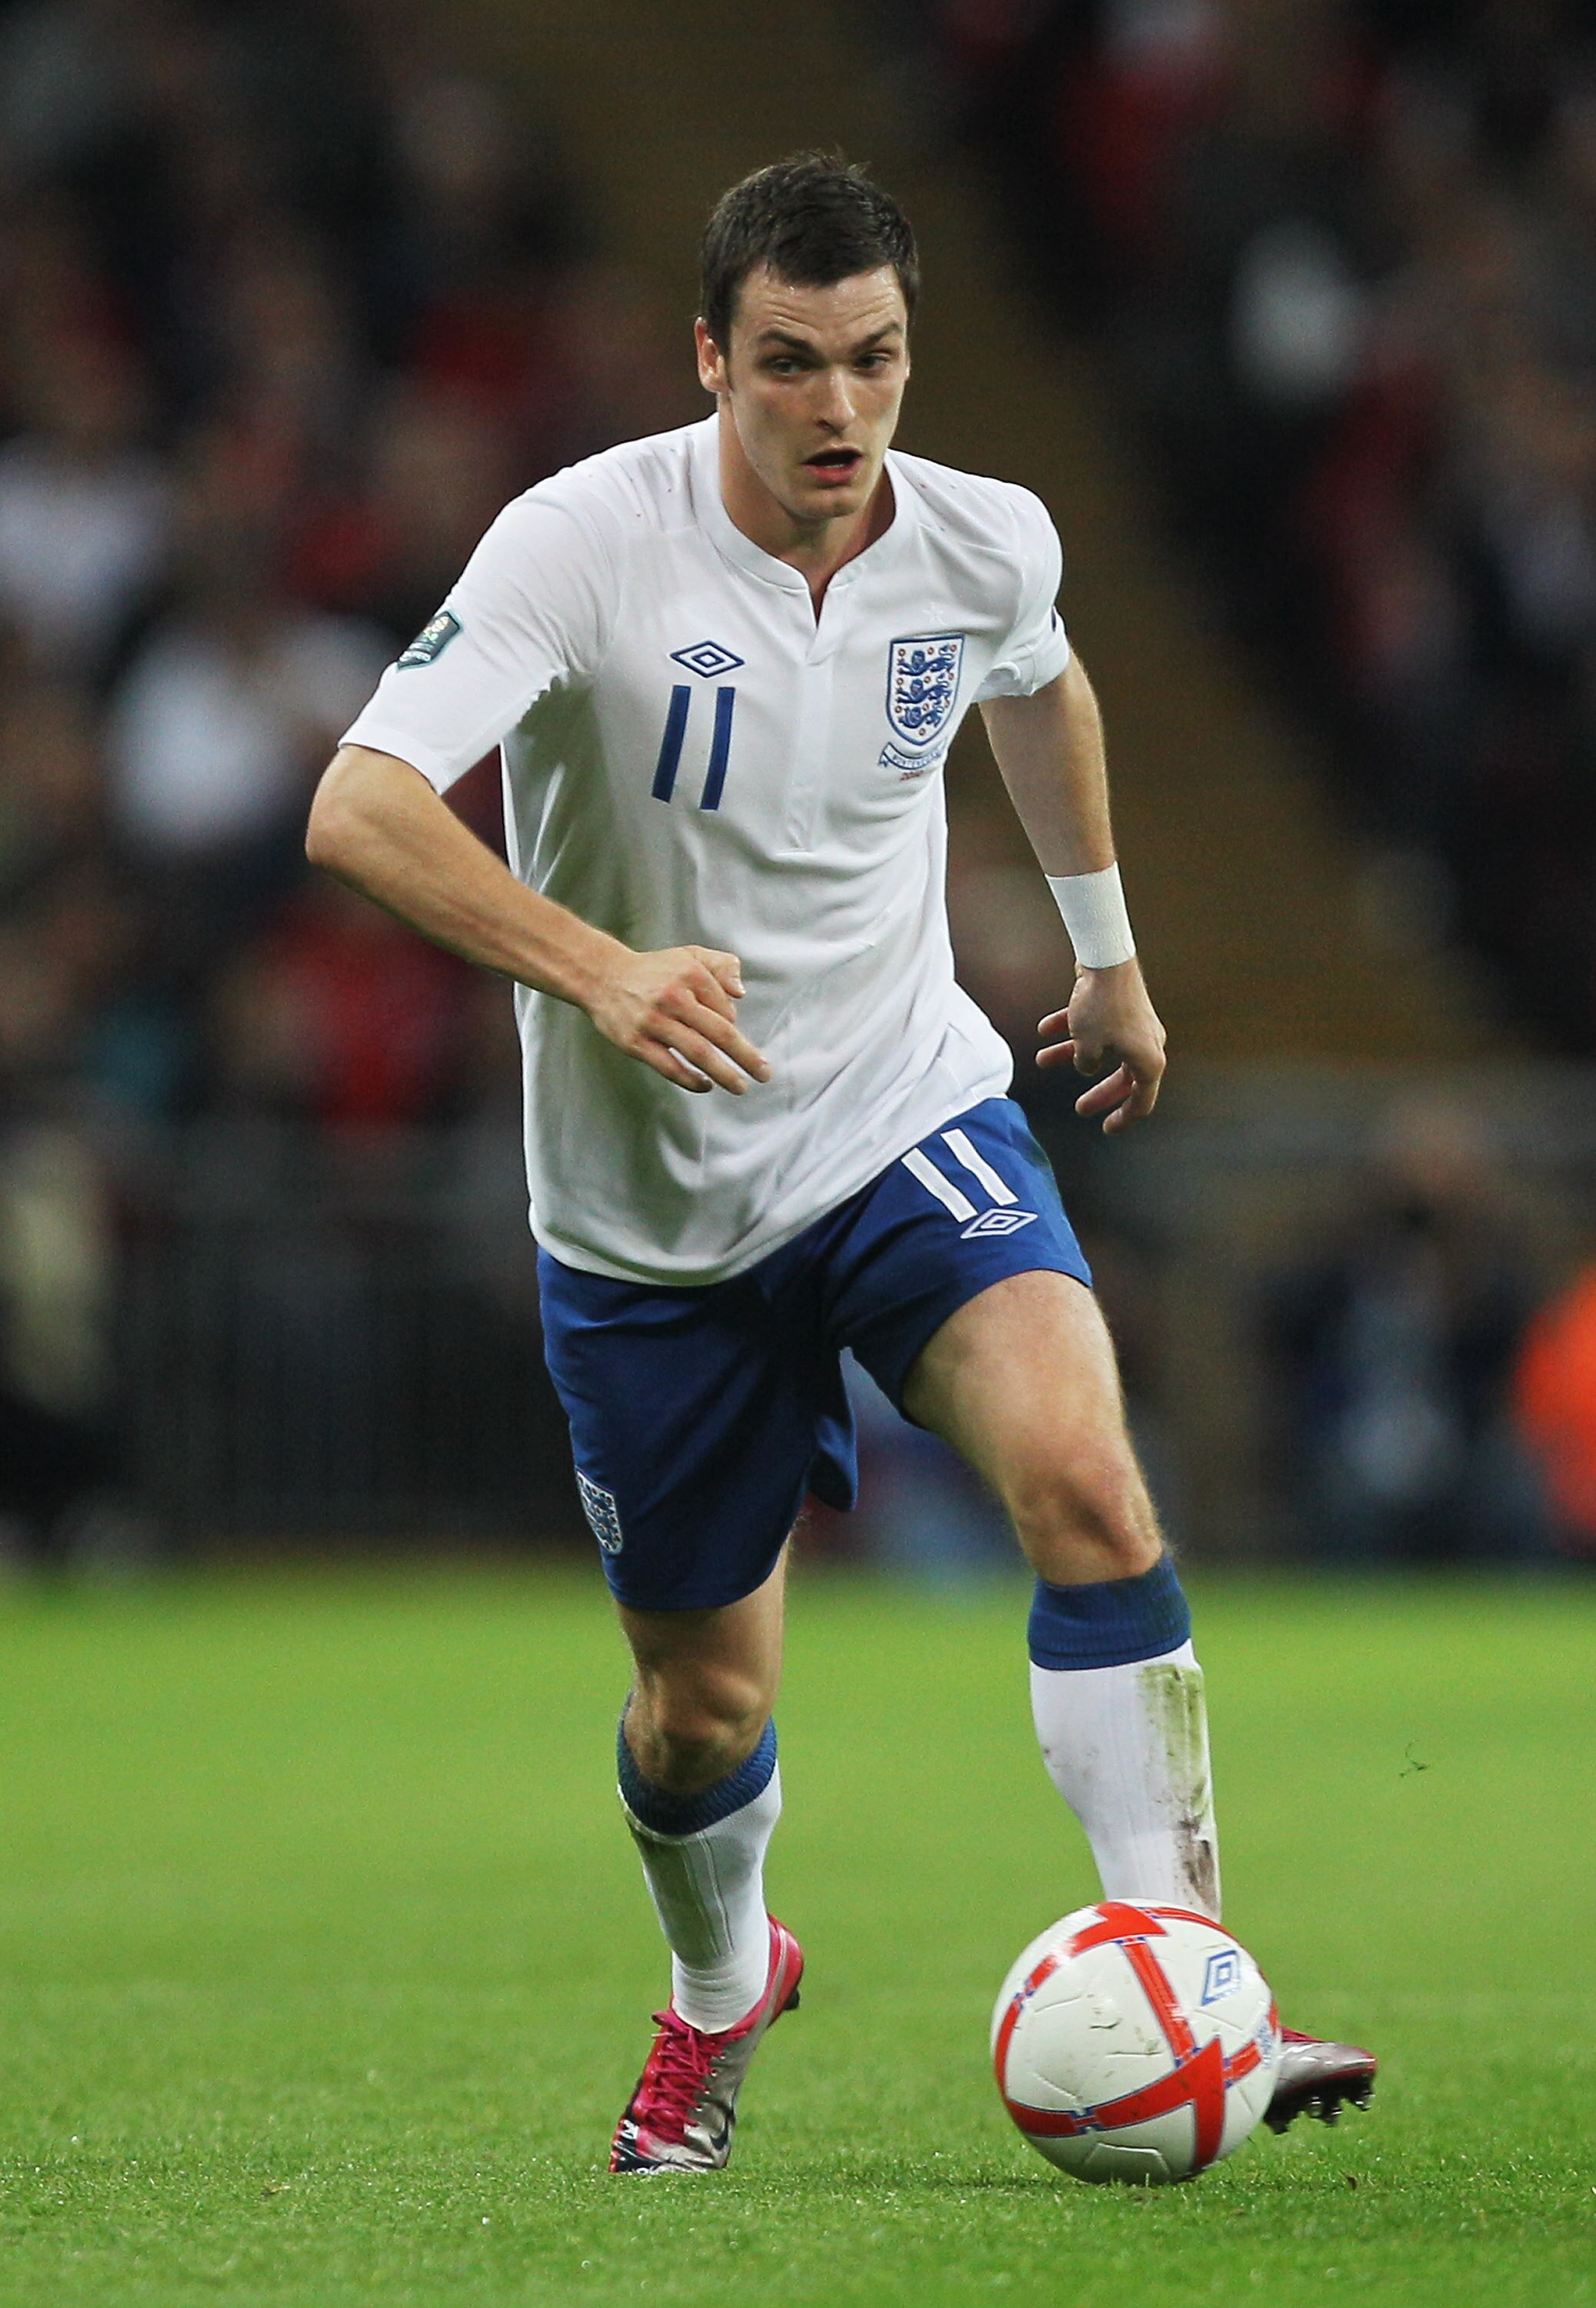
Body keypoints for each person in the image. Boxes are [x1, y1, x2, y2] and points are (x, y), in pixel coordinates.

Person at [306, 153, 1374, 2175]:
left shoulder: (978, 539)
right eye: (786, 362)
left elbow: (1040, 680)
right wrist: (599, 968)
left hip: (900, 1113)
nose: (834, 406)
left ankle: (1190, 1979)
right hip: (646, 1223)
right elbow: (359, 806)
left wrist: (1110, 956)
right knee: (698, 1714)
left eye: (871, 358)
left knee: (1081, 1470)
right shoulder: (581, 544)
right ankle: (719, 1994)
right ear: (710, 356)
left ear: (907, 356)